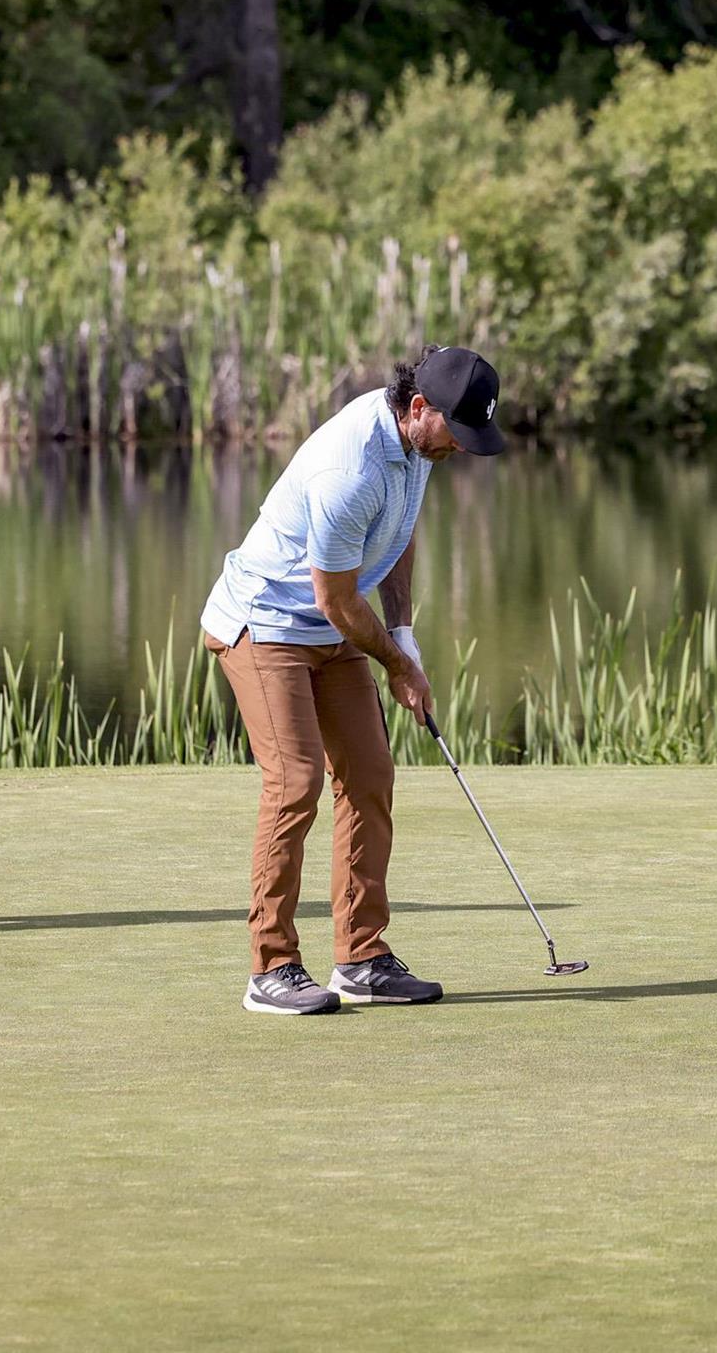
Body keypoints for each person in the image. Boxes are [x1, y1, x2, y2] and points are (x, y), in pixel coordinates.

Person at [200, 344, 506, 1014]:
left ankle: (362, 957)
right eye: (456, 430)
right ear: (418, 406)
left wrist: (402, 632)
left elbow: (398, 537)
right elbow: (336, 599)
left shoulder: (418, 448)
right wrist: (398, 667)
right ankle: (270, 966)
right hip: (266, 622)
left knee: (369, 774)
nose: (459, 446)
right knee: (296, 778)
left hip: (333, 624)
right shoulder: (352, 467)